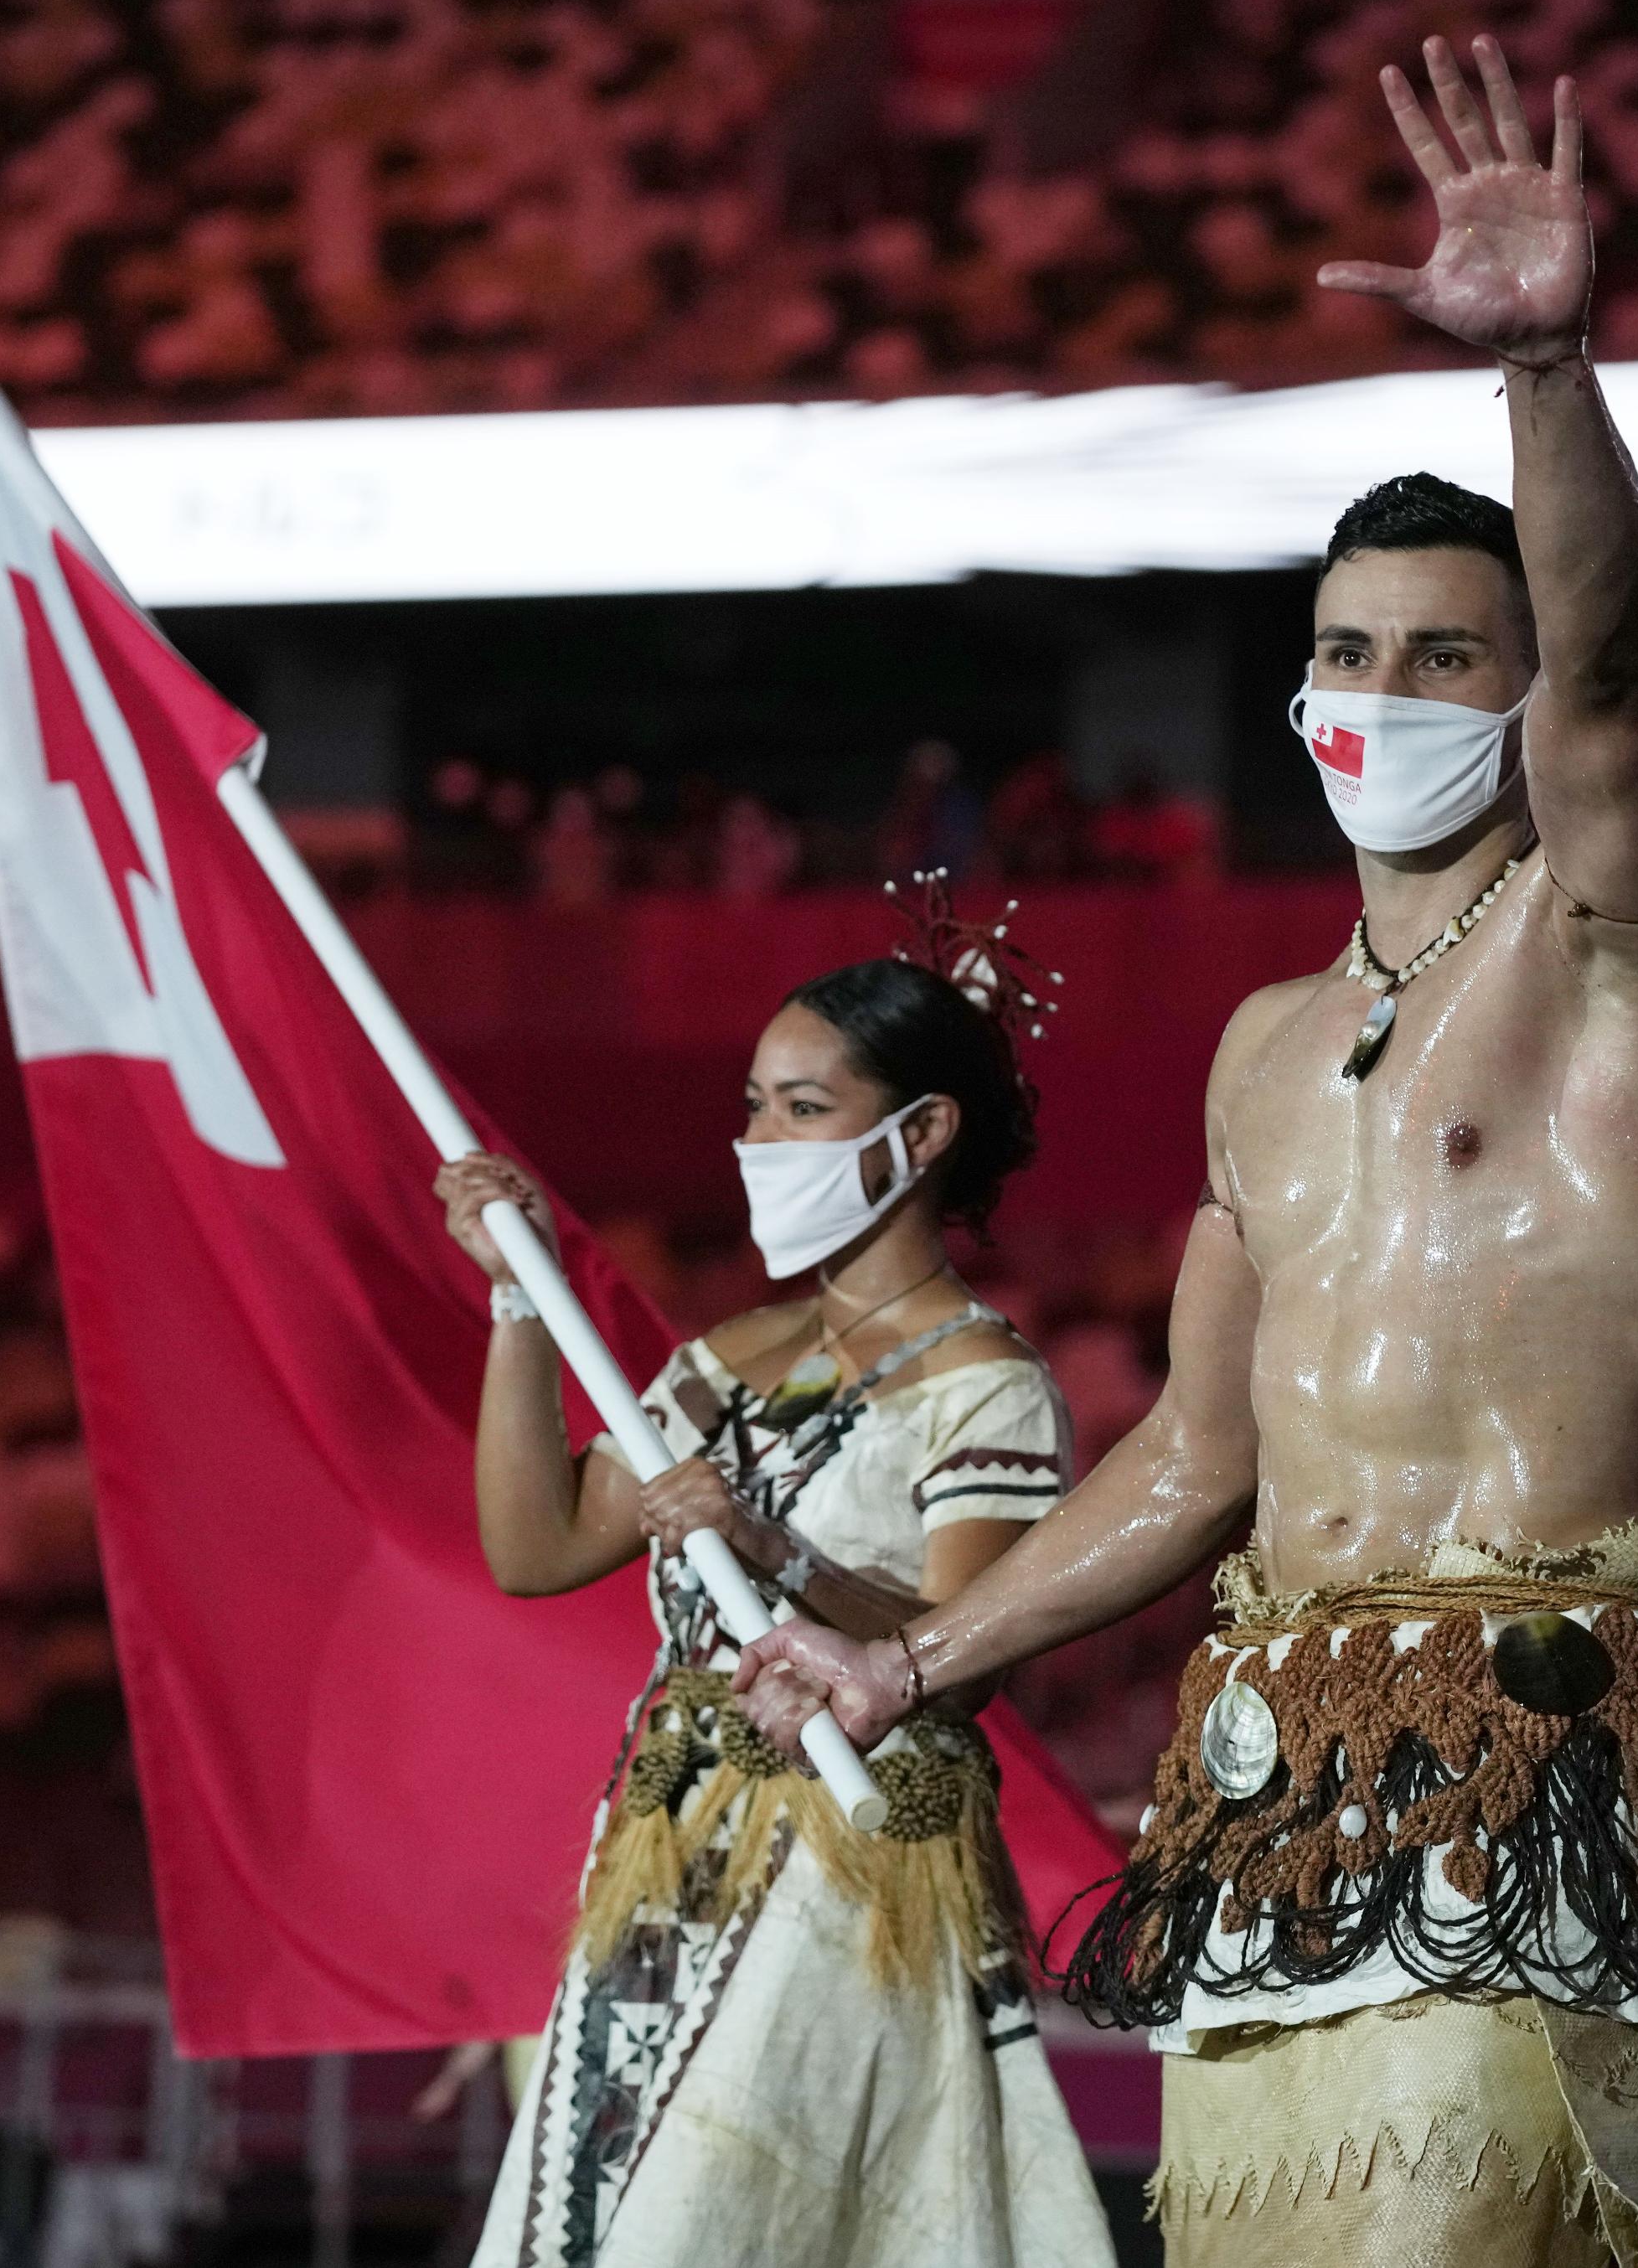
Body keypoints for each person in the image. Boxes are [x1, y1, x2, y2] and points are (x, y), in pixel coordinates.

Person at [735, 34, 1638, 2268]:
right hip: (1275, 1787)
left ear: (1515, 701)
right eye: (1345, 653)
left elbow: (1619, 681)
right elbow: (1190, 1456)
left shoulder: (1612, 945)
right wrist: (914, 1663)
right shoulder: (1257, 1047)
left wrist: (1551, 371)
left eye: (1443, 657)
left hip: (1537, 1764)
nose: (1381, 694)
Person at [434, 916, 1112, 2268]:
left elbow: (958, 1657)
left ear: (917, 1139)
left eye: (806, 1109)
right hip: (668, 1850)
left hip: (846, 1868)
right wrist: (524, 1303)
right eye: (756, 1107)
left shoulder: (987, 1383)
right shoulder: (728, 1354)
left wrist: (766, 1545)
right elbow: (539, 1545)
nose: (763, 1142)